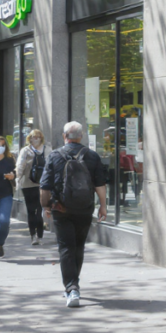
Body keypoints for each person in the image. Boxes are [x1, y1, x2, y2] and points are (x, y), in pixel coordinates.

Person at [39, 121, 107, 307]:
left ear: (64, 136)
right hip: (84, 208)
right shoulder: (92, 156)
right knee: (78, 246)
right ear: (81, 136)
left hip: (61, 209)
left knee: (66, 247)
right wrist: (103, 206)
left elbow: (44, 186)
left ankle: (72, 288)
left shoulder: (54, 156)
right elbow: (100, 185)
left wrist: (46, 205)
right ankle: (73, 283)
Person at [15, 129, 48, 245]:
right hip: (27, 185)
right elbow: (20, 166)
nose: (36, 138)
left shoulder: (47, 150)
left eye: (38, 136)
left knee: (39, 211)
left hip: (42, 185)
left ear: (41, 138)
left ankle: (39, 235)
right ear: (30, 138)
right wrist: (17, 179)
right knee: (31, 211)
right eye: (34, 136)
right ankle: (33, 235)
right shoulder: (25, 150)